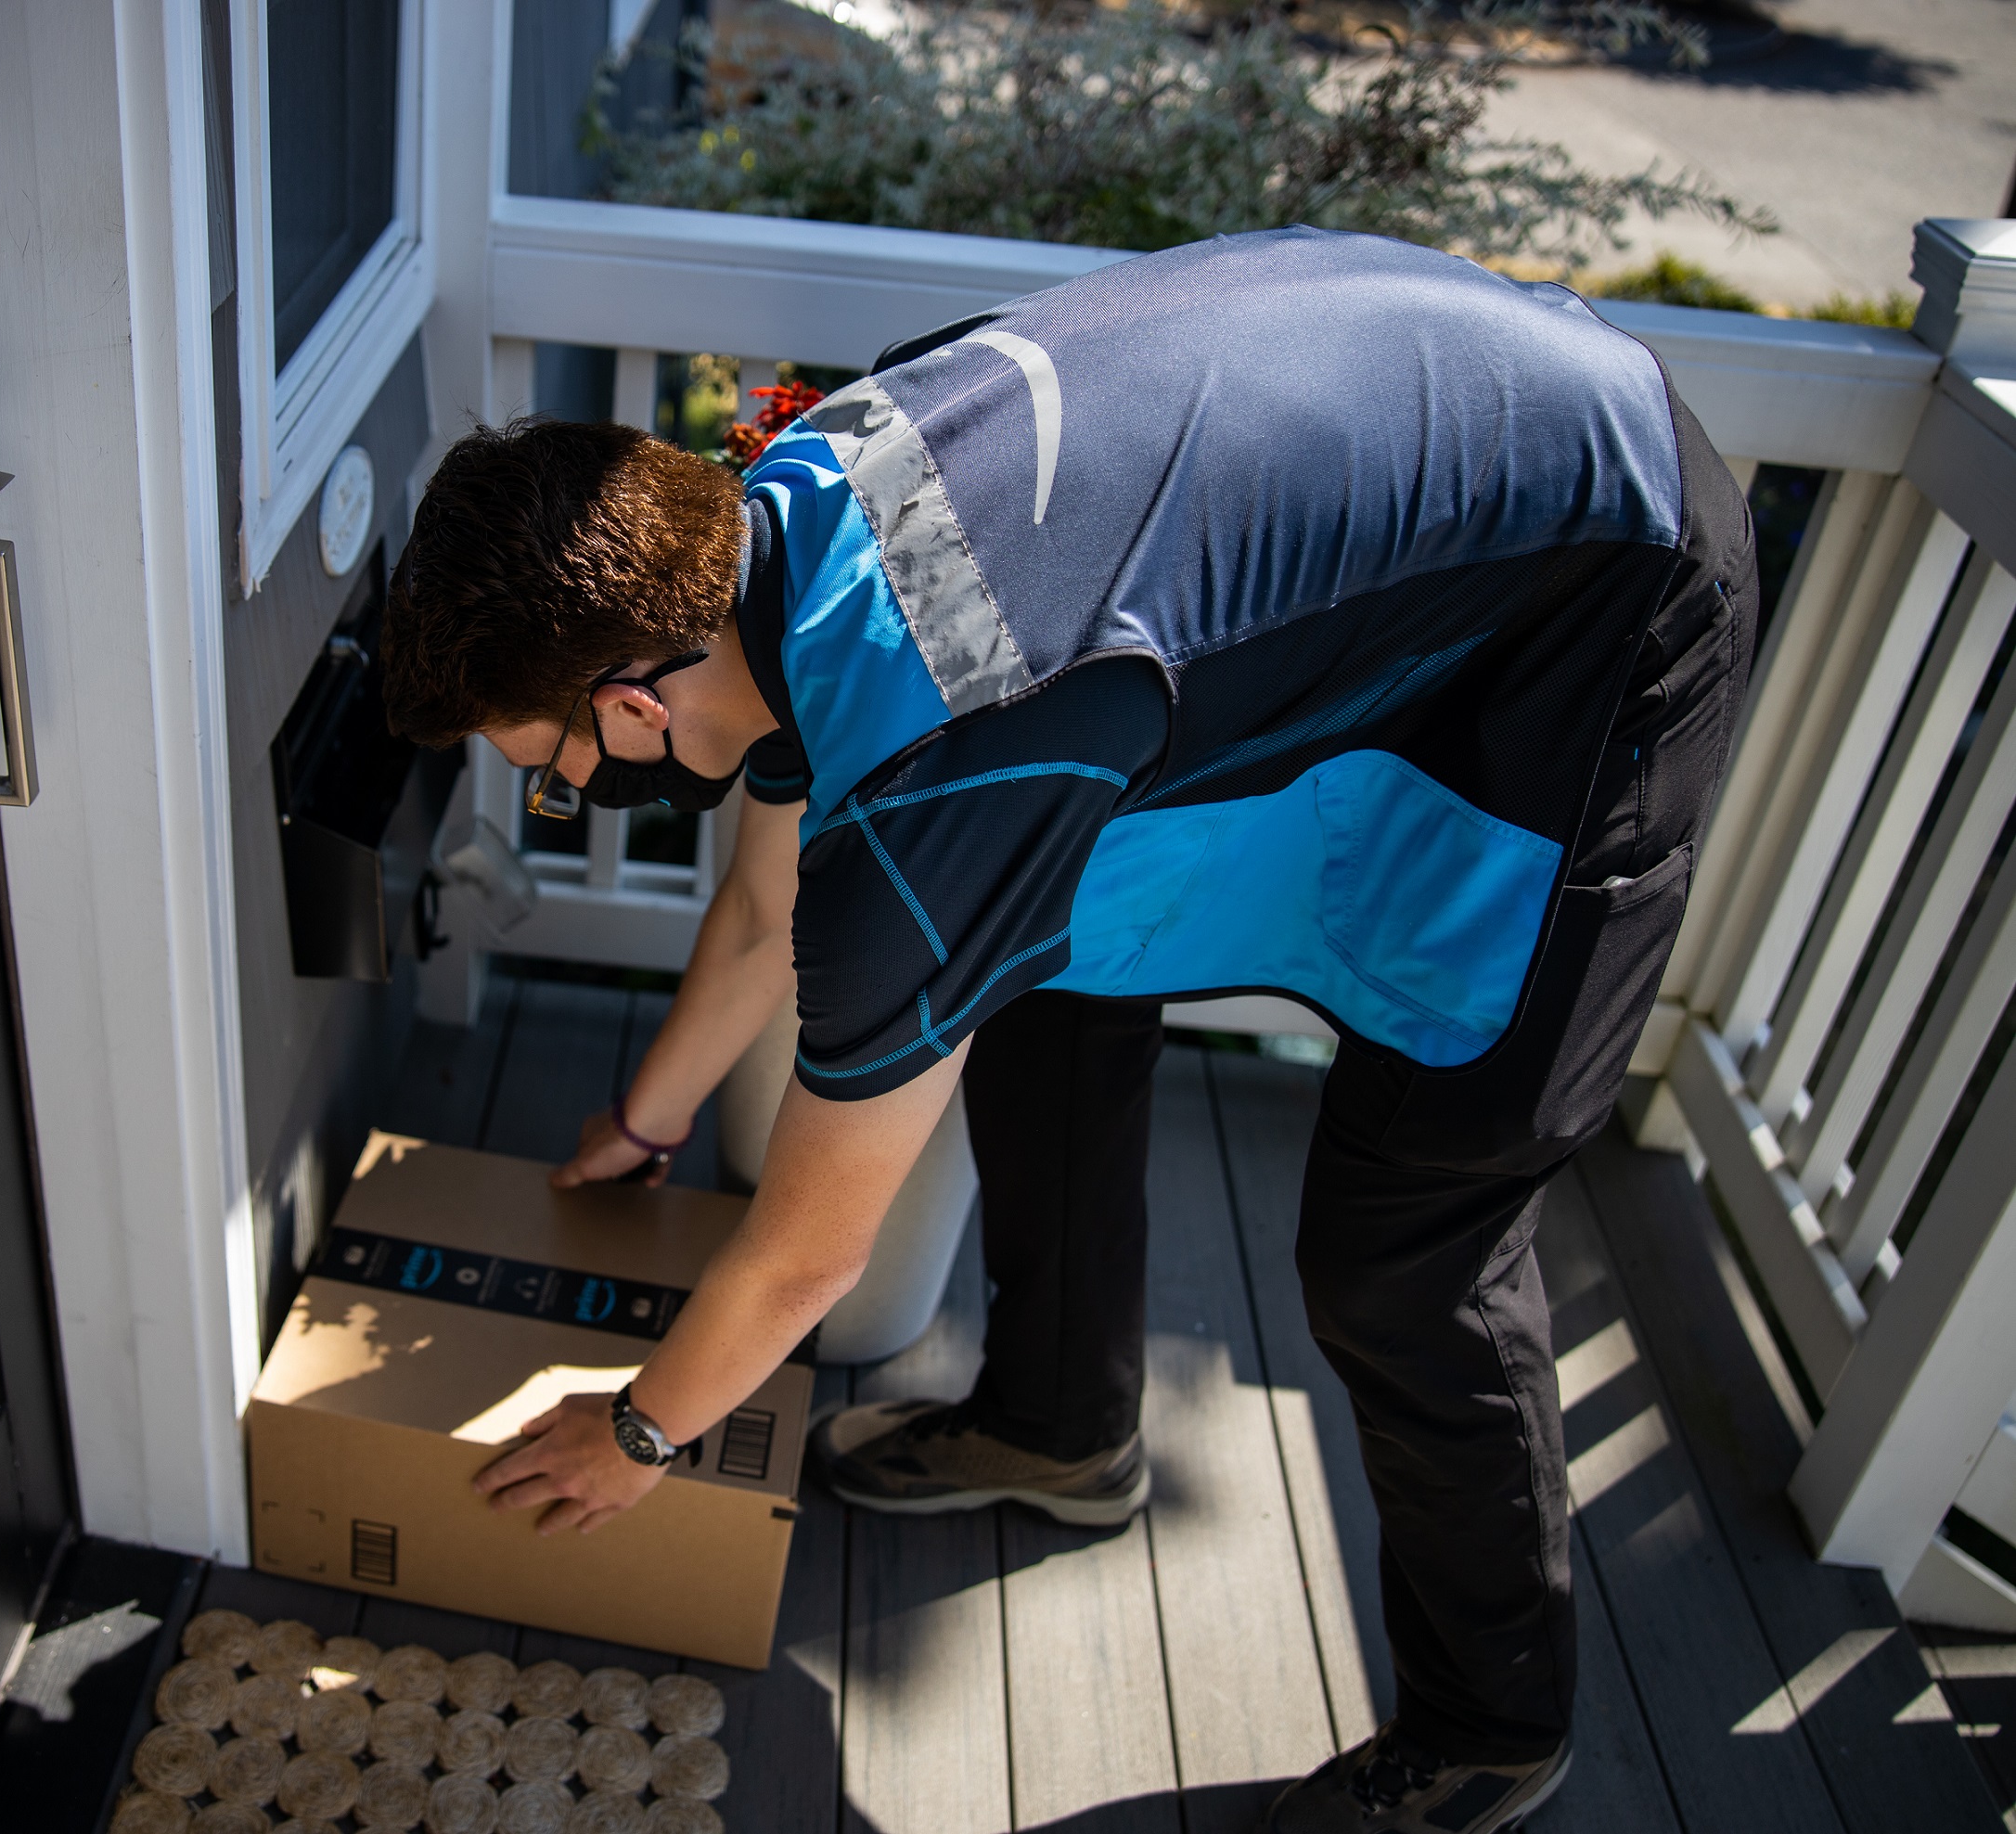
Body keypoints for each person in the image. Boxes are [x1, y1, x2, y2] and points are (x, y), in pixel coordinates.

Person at [388, 227, 1751, 1834]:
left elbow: (814, 1249)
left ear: (629, 704)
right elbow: (763, 910)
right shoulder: (780, 521)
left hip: (1618, 578)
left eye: (545, 760)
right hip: (1444, 470)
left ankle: (1496, 1719)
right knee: (1049, 961)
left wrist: (637, 1435)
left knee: (1409, 1246)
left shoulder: (940, 765)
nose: (560, 787)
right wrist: (652, 1116)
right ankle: (1058, 1424)